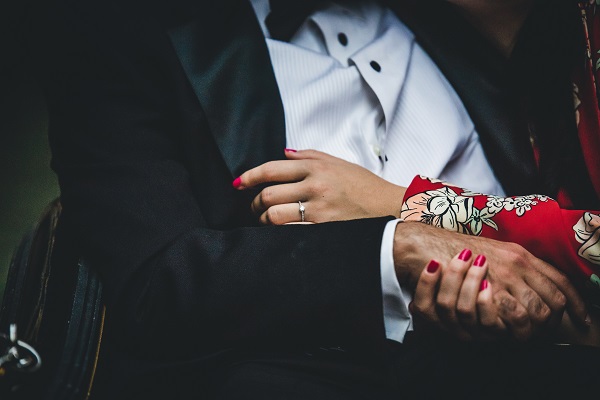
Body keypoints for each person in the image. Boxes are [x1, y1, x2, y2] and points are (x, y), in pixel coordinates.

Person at [36, 0, 600, 398]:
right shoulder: (118, 40)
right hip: (316, 373)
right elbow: (158, 285)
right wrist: (393, 248)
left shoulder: (484, 19)